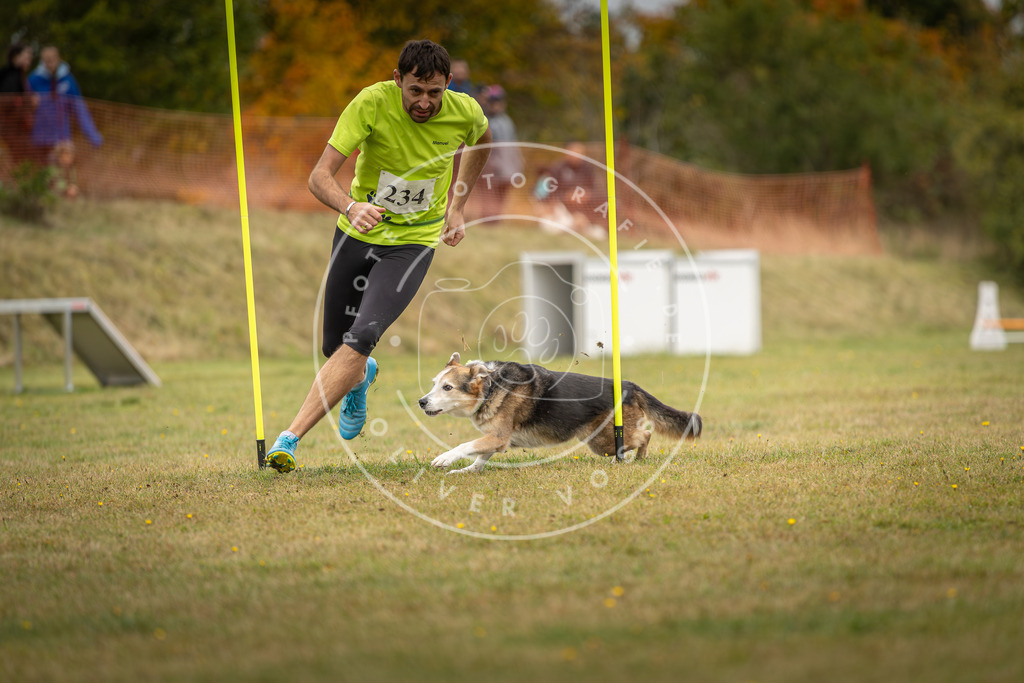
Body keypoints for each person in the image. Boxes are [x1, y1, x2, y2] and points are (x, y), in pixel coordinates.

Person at [265, 39, 493, 473]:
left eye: (434, 93)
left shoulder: (466, 110)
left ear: (448, 84)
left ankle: (288, 439)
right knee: (336, 348)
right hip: (358, 232)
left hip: (413, 243)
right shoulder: (371, 103)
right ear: (397, 81)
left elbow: (482, 140)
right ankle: (359, 378)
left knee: (362, 334)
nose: (425, 102)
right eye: (415, 91)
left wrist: (458, 205)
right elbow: (318, 177)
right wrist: (351, 206)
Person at [26, 46, 102, 167]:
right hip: (39, 139)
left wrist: (93, 136)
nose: (50, 63)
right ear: (42, 60)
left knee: (62, 173)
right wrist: (30, 103)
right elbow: (22, 109)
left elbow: (80, 111)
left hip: (62, 138)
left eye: (52, 59)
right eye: (46, 60)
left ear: (58, 59)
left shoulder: (68, 80)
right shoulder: (33, 80)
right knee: (41, 175)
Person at [533, 141, 606, 239]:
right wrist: (564, 198)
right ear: (566, 152)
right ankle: (573, 226)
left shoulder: (589, 169)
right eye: (573, 152)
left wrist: (587, 195)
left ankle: (582, 226)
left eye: (580, 153)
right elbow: (549, 194)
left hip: (585, 211)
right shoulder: (557, 168)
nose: (577, 156)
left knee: (599, 234)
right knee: (549, 226)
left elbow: (597, 191)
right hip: (562, 209)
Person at [476, 84, 524, 219]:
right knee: (488, 199)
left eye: (498, 101)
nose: (495, 105)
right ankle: (487, 222)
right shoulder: (484, 121)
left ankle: (496, 221)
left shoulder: (507, 122)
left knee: (501, 200)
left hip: (506, 171)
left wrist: (518, 167)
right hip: (489, 171)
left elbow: (514, 147)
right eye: (492, 102)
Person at [0, 43, 34, 164]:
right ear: (15, 56)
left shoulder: (19, 76)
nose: (28, 61)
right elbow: (7, 104)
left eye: (30, 59)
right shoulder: (10, 76)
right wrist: (30, 104)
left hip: (16, 130)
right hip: (10, 130)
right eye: (26, 57)